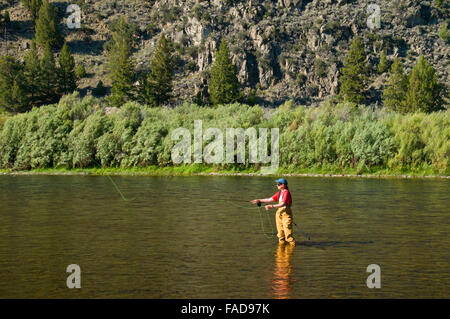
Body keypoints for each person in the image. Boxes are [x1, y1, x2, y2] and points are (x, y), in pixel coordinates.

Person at [251, 178, 296, 246]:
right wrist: (259, 200)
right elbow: (269, 199)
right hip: (278, 215)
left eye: (278, 184)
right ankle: (280, 252)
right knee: (280, 235)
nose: (276, 185)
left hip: (286, 215)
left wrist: (271, 206)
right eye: (277, 184)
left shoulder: (286, 192)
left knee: (288, 235)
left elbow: (282, 204)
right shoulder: (279, 193)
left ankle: (291, 251)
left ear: (283, 185)